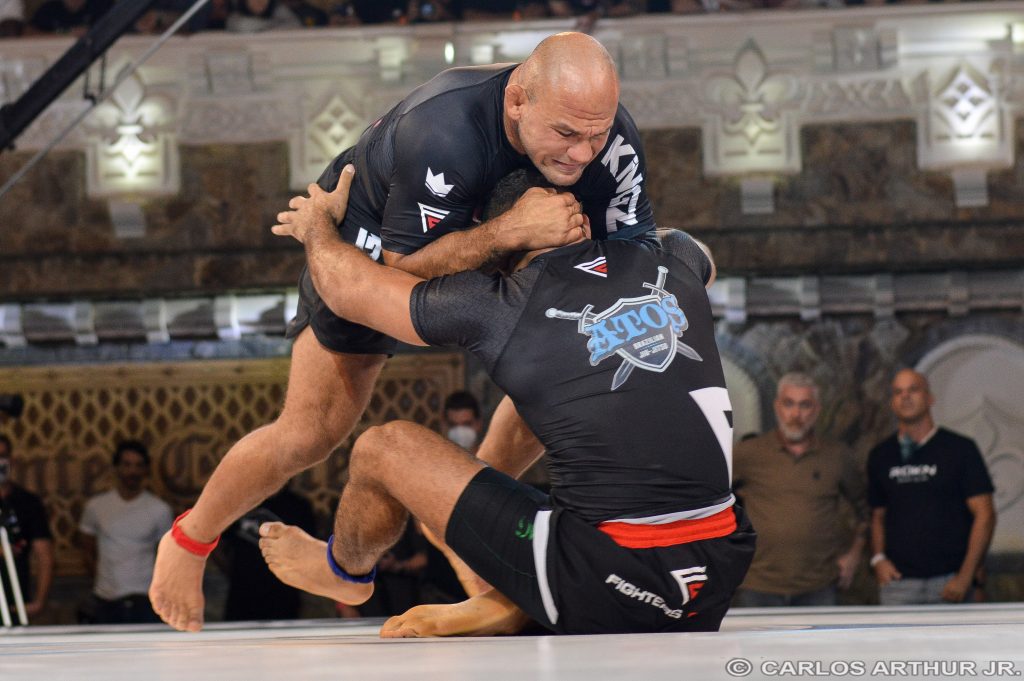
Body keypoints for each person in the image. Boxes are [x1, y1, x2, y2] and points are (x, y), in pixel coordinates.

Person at [150, 31, 657, 633]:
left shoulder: (608, 140)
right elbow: (404, 271)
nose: (581, 154)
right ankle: (190, 539)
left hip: (510, 233)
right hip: (377, 246)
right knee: (311, 432)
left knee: (563, 366)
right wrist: (507, 233)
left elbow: (638, 261)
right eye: (566, 134)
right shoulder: (444, 129)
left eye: (595, 135)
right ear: (518, 101)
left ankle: (456, 513)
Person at [257, 166, 754, 637]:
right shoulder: (677, 259)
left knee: (382, 448)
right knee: (557, 391)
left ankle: (345, 572)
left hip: (607, 577)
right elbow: (697, 254)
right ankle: (495, 573)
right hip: (716, 572)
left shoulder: (497, 305)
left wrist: (317, 226)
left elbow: (348, 290)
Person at [732, 372, 868, 607]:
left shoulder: (837, 455)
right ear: (777, 406)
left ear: (817, 410)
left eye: (805, 405)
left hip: (819, 587)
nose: (796, 414)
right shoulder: (748, 453)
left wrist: (854, 555)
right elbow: (710, 500)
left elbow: (865, 508)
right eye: (789, 404)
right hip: (758, 586)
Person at [867, 368, 996, 605]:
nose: (905, 396)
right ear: (892, 402)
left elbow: (985, 514)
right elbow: (877, 516)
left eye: (913, 389)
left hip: (950, 581)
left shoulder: (960, 449)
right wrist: (878, 559)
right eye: (898, 392)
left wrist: (966, 576)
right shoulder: (880, 455)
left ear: (930, 398)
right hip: (898, 584)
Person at [78, 440, 174, 624]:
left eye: (138, 465)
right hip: (106, 598)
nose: (132, 471)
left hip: (146, 599)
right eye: (127, 465)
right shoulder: (96, 506)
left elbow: (167, 557)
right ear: (116, 468)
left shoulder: (160, 509)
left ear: (146, 470)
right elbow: (87, 549)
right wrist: (102, 581)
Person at [217, 482, 316, 621]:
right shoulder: (240, 504)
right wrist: (229, 569)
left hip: (283, 595)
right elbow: (219, 542)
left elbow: (308, 549)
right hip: (242, 593)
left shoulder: (299, 506)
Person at [0, 434, 54, 621]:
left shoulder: (27, 502)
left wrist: (39, 602)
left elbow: (44, 555)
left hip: (15, 603)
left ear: (11, 460)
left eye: (2, 456)